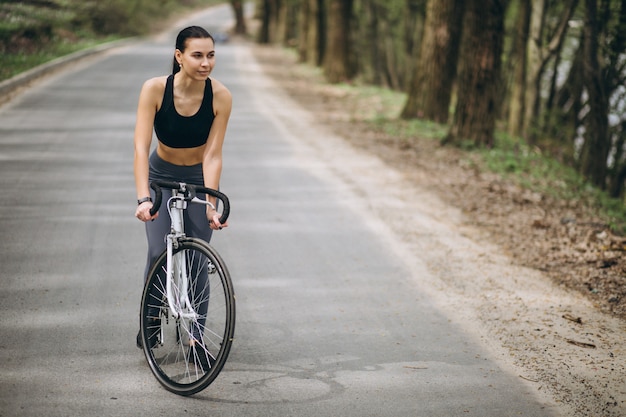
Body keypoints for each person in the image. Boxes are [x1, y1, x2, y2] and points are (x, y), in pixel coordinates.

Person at [133, 26, 232, 357]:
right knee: (159, 250)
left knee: (197, 255)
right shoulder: (154, 90)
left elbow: (213, 154)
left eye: (211, 55)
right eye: (198, 55)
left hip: (197, 177)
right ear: (179, 56)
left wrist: (211, 203)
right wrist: (143, 198)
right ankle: (150, 318)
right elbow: (139, 146)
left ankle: (196, 337)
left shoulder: (220, 96)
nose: (206, 63)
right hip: (160, 176)